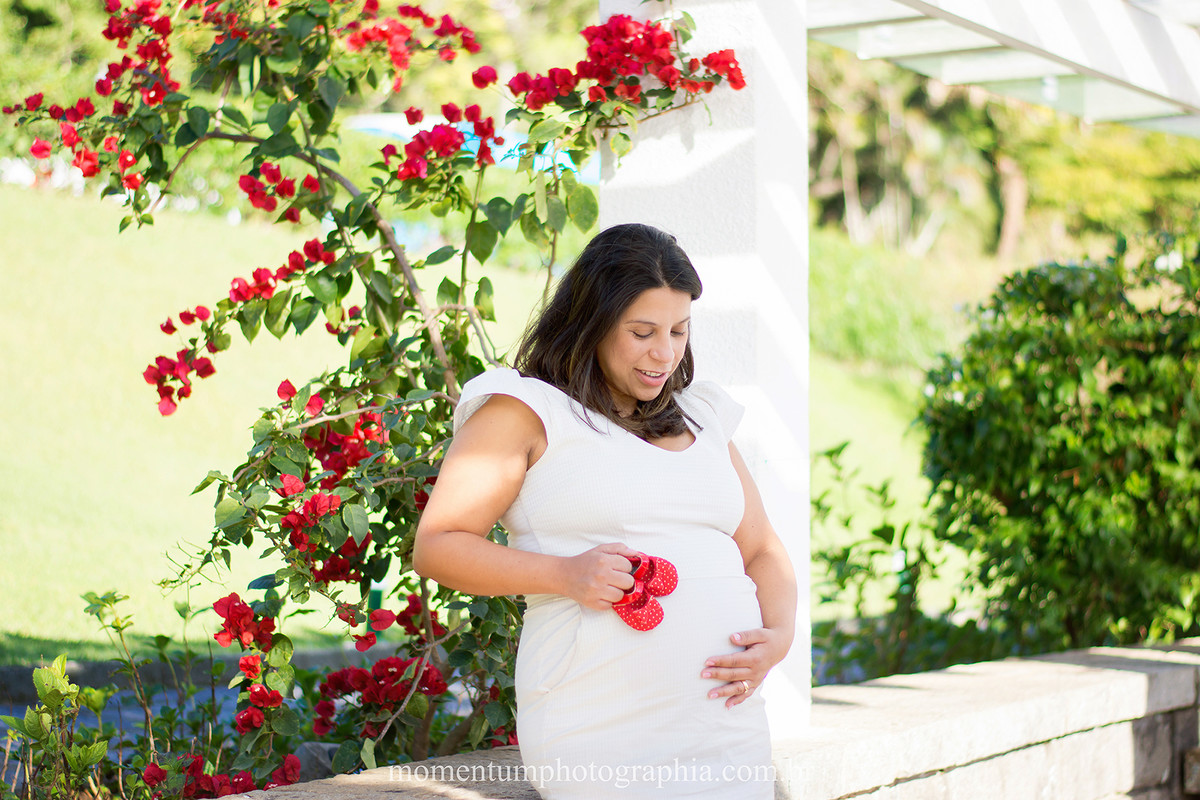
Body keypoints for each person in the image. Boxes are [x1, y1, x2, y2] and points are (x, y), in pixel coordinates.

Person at [413, 223, 796, 799]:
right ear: (592, 321)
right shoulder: (527, 410)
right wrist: (564, 575)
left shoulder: (702, 417)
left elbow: (762, 548)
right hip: (601, 733)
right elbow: (437, 544)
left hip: (726, 729)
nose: (664, 352)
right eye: (642, 331)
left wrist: (781, 635)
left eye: (678, 331)